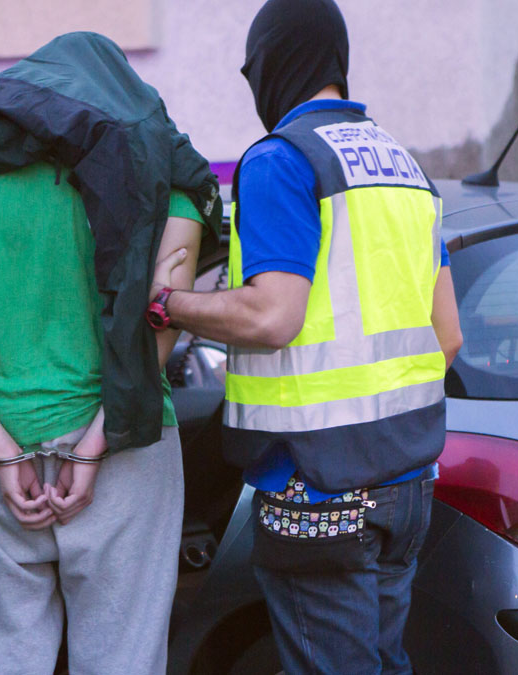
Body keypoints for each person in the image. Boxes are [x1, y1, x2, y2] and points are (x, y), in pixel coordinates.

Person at [0, 32, 220, 675]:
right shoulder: (156, 159)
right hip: (127, 453)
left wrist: (2, 448)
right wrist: (94, 441)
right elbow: (162, 308)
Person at [145, 1, 462, 672]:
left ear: (272, 66)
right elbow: (449, 337)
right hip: (407, 484)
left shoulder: (280, 162)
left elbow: (272, 315)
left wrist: (172, 304)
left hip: (316, 488)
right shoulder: (407, 169)